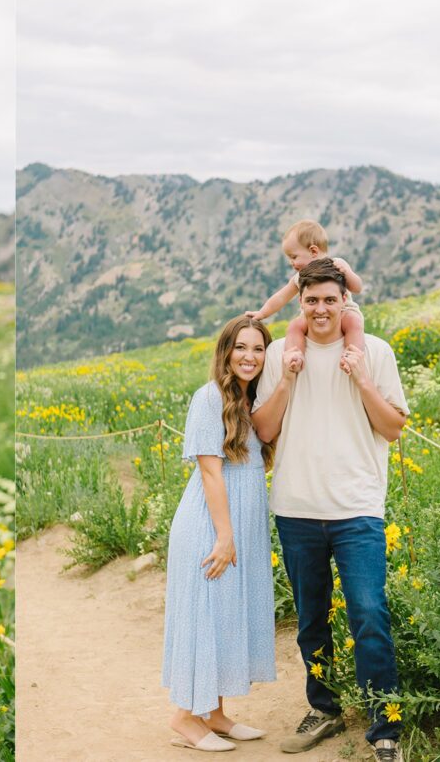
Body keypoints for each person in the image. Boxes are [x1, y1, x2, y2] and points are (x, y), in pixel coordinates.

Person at [252, 258, 408, 762]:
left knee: (368, 613)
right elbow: (264, 431)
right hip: (296, 508)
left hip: (357, 508)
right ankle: (325, 708)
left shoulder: (375, 352)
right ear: (301, 303)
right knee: (311, 620)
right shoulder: (279, 354)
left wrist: (362, 380)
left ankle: (386, 726)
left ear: (345, 302)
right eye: (312, 300)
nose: (321, 309)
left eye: (330, 300)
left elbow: (393, 428)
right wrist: (286, 383)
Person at [163, 315, 277, 753]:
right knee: (207, 614)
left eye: (258, 348)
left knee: (229, 612)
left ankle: (215, 713)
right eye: (241, 347)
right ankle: (185, 717)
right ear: (226, 352)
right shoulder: (209, 398)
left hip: (238, 522)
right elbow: (211, 472)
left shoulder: (248, 401)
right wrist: (225, 537)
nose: (250, 356)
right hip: (211, 523)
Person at [245, 219, 364, 374]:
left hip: (344, 310)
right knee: (295, 326)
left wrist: (347, 273)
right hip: (311, 315)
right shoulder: (299, 276)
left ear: (313, 251)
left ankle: (352, 357)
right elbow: (281, 297)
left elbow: (357, 288)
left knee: (353, 322)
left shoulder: (337, 264)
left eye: (294, 257)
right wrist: (262, 313)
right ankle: (294, 357)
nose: (291, 263)